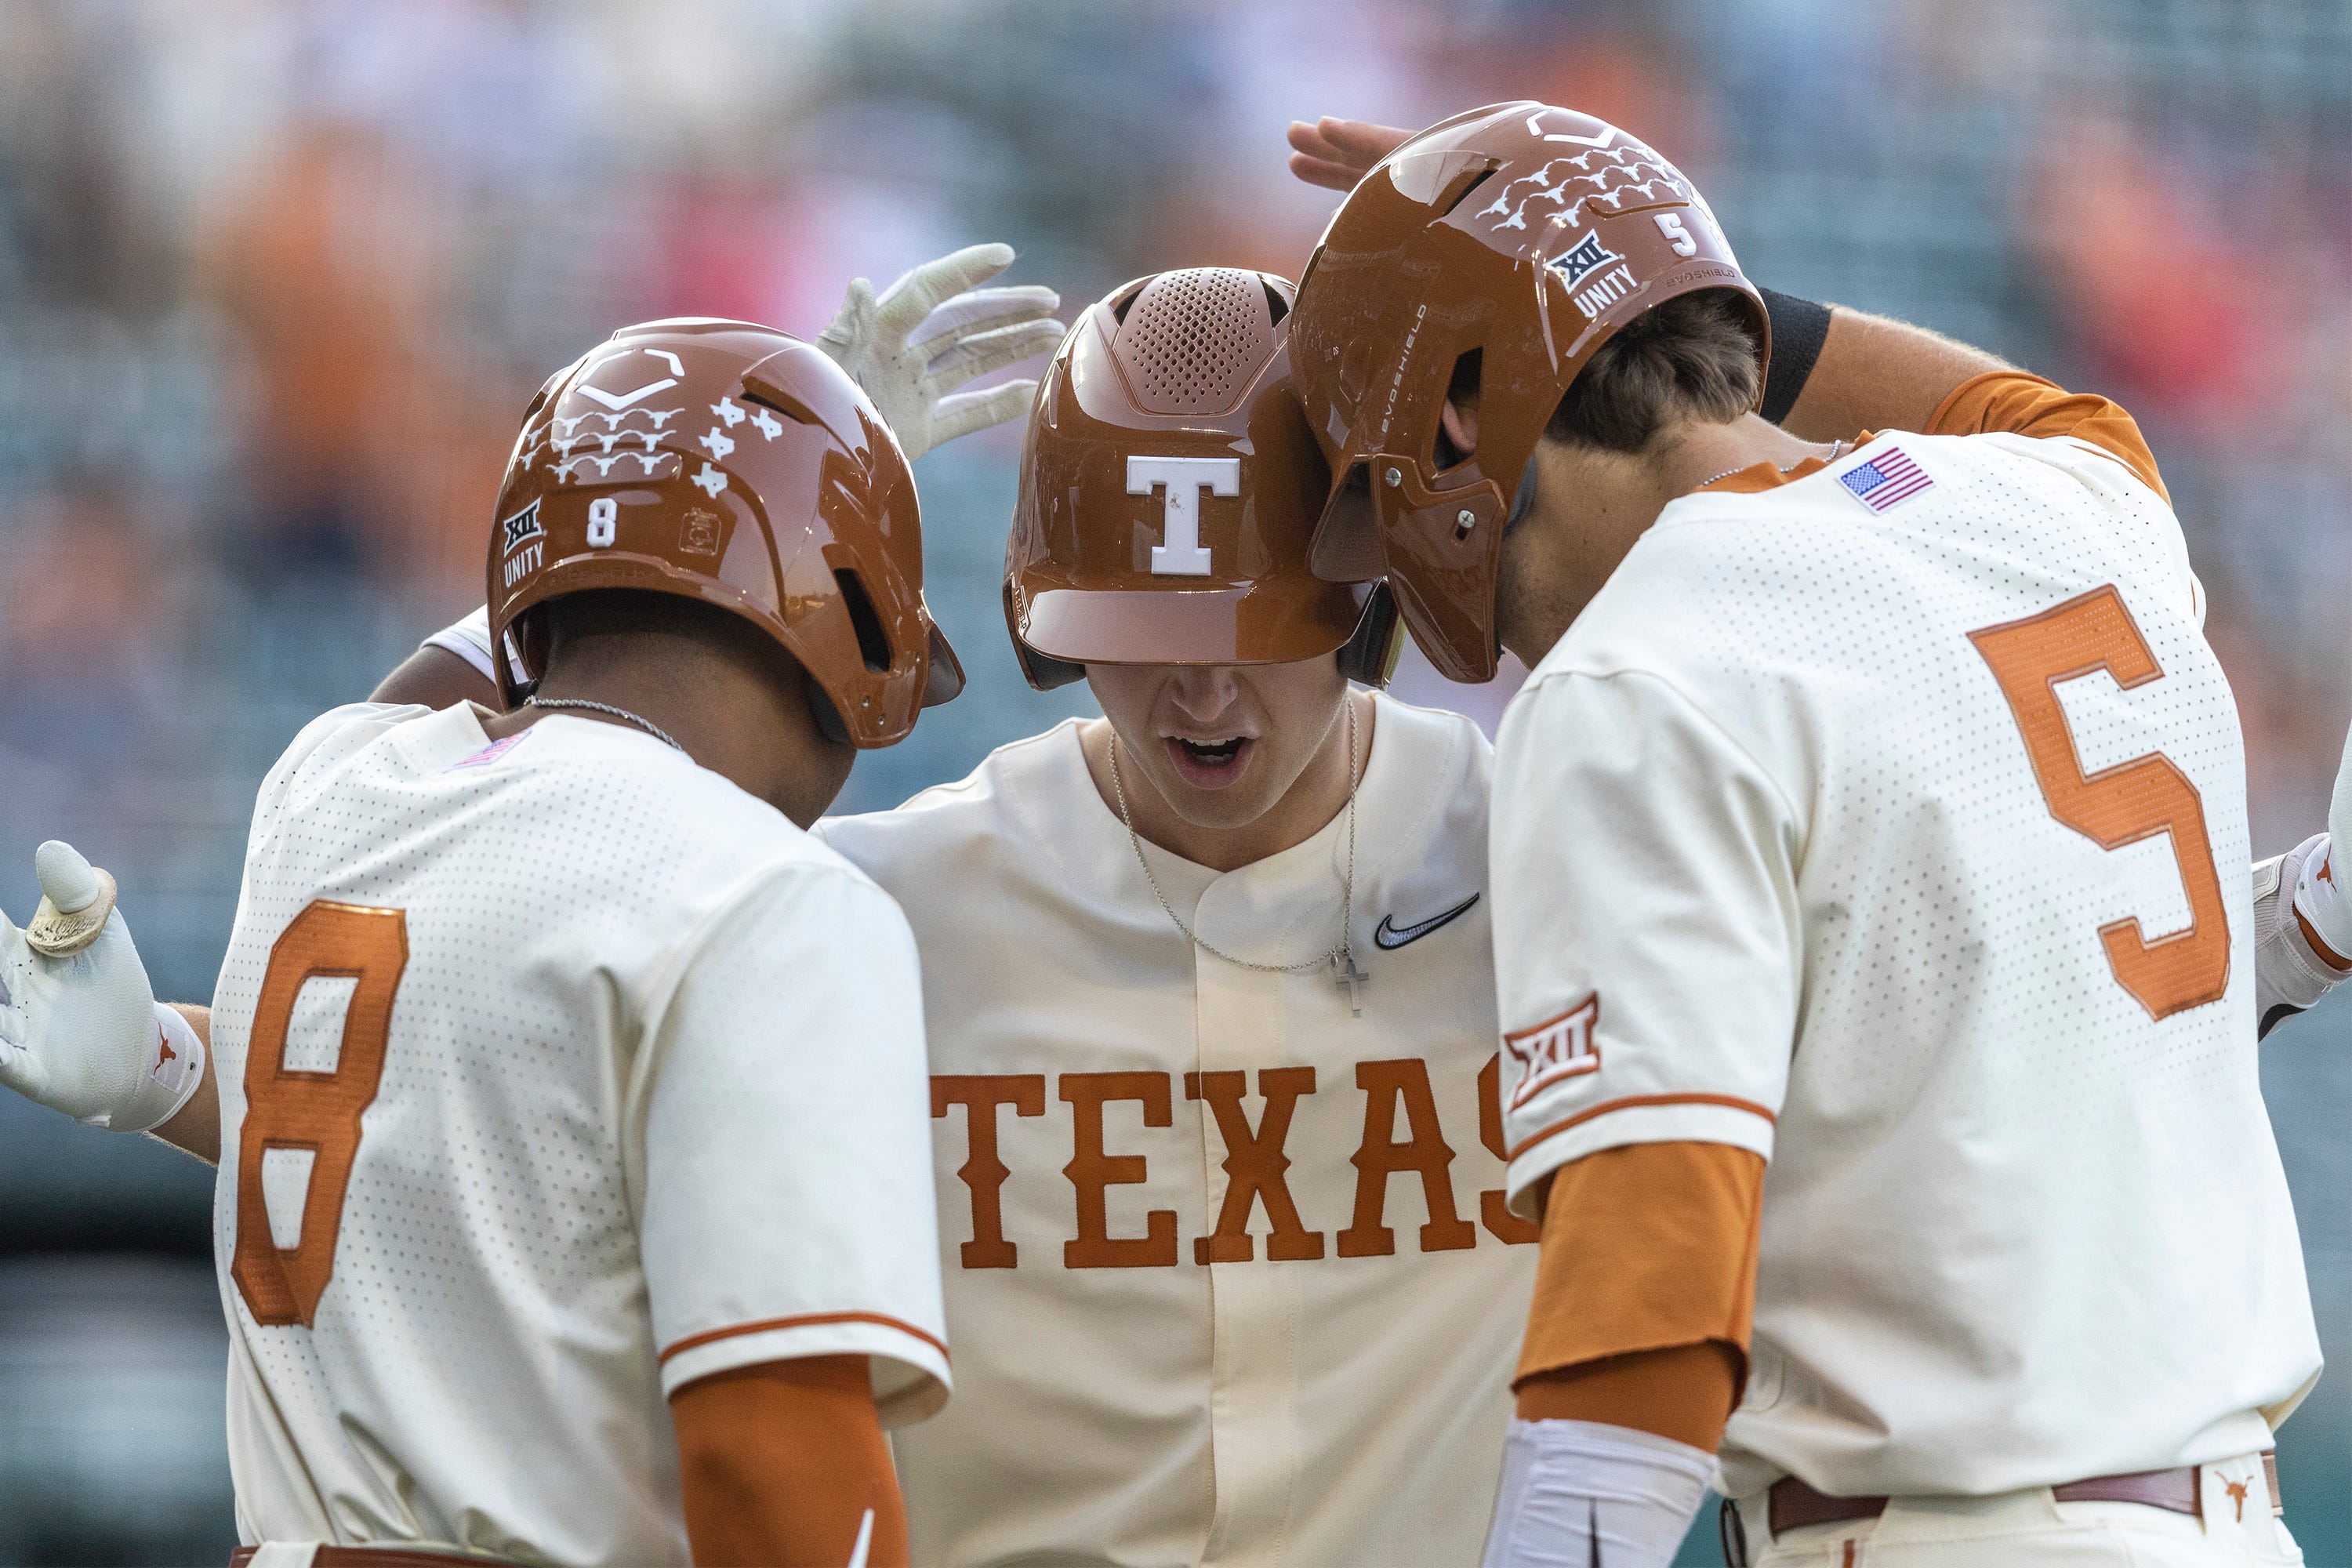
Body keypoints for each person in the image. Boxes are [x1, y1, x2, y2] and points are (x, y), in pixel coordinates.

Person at [1286, 101, 2326, 1566]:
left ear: (1451, 419)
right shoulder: (2075, 507)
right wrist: (1608, 273)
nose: (1387, 539)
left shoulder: (1633, 678)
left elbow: (1643, 1342)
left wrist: (1552, 280)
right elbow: (2043, 413)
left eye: (1375, 482)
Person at [2, 320, 975, 1568]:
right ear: (841, 625)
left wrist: (164, 1067)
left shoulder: (329, 786)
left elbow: (462, 712)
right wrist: (758, 489)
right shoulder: (762, 890)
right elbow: (769, 1462)